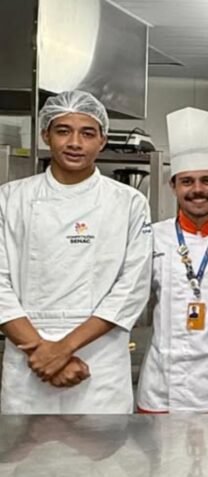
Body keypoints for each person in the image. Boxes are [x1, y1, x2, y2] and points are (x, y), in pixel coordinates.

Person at [0, 90, 152, 413]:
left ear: (102, 140)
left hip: (99, 362)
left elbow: (132, 288)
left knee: (100, 447)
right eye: (63, 131)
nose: (74, 143)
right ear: (46, 135)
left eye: (87, 133)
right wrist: (40, 352)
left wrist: (61, 350)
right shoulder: (10, 199)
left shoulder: (128, 203)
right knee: (27, 448)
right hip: (29, 362)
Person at [136, 107, 208, 413]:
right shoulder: (151, 236)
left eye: (206, 181)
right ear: (173, 186)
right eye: (187, 182)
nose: (198, 190)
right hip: (162, 390)